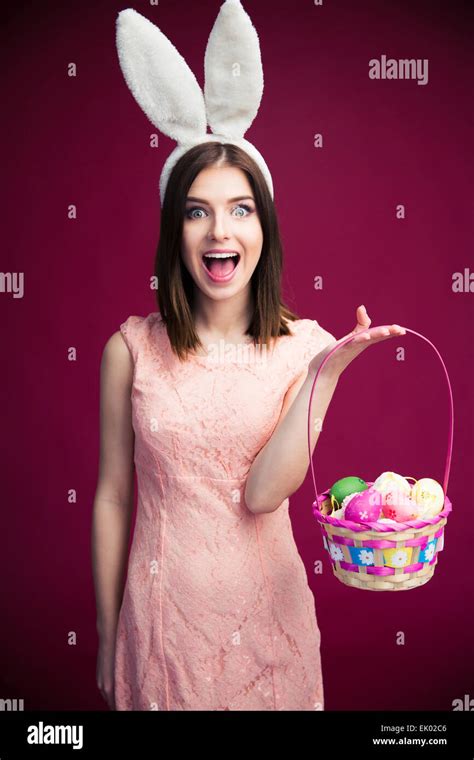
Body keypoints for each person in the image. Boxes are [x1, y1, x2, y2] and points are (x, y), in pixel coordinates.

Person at [91, 140, 406, 710]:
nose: (219, 231)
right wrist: (107, 634)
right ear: (174, 231)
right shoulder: (129, 350)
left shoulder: (306, 350)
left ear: (265, 225)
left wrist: (323, 376)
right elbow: (113, 498)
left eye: (241, 209)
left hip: (270, 639)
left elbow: (261, 495)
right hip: (162, 636)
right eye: (196, 211)